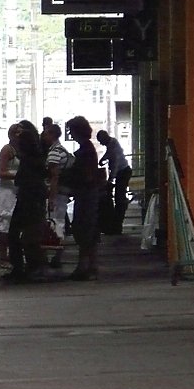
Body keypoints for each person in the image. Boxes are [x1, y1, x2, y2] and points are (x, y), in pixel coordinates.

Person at [4, 125, 49, 283]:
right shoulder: (36, 158)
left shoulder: (29, 161)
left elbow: (23, 179)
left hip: (29, 202)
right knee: (25, 236)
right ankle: (29, 268)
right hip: (31, 201)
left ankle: (28, 269)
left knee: (23, 236)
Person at [65, 115, 104, 281]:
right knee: (89, 230)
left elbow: (85, 175)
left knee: (83, 229)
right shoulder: (88, 149)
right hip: (90, 193)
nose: (71, 135)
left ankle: (84, 266)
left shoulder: (84, 152)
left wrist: (68, 177)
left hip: (86, 195)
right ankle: (91, 266)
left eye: (72, 131)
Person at [41, 123, 73, 267]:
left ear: (52, 135)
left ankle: (56, 255)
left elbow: (54, 176)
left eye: (46, 133)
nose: (43, 135)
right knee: (58, 222)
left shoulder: (54, 152)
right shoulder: (61, 150)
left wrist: (51, 196)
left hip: (57, 192)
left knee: (56, 223)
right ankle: (57, 255)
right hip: (62, 191)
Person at [0, 124, 20, 265]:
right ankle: (3, 256)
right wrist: (19, 175)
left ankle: (13, 253)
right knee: (5, 223)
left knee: (14, 222)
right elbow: (1, 172)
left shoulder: (20, 150)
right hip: (6, 190)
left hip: (16, 189)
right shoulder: (7, 150)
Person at [96, 130, 132, 234]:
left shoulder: (113, 145)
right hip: (123, 171)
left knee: (119, 198)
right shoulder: (112, 143)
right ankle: (115, 225)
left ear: (105, 138)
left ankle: (117, 225)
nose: (101, 144)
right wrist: (103, 159)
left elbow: (115, 163)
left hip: (123, 171)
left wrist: (111, 179)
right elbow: (109, 154)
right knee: (118, 197)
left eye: (101, 141)